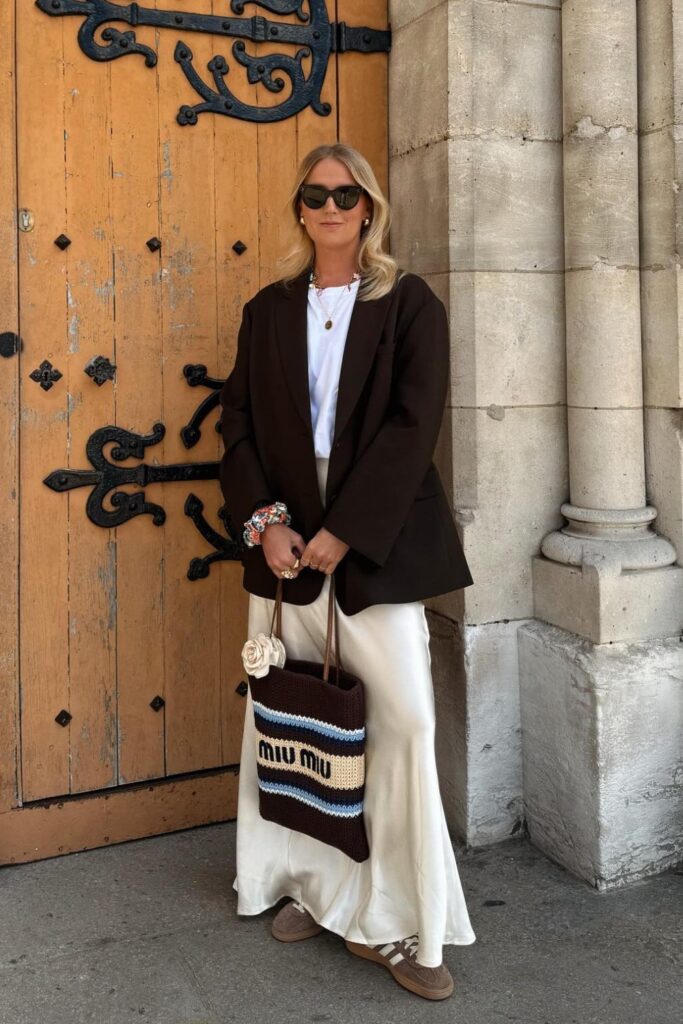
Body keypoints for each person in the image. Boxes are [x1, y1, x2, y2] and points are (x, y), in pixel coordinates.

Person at [218, 142, 476, 1002]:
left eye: (345, 193)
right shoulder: (266, 310)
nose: (329, 206)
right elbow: (241, 428)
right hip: (285, 554)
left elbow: (413, 426)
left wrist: (344, 532)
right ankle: (313, 888)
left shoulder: (407, 305)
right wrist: (268, 527)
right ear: (299, 208)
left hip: (374, 547)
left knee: (397, 724)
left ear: (368, 207)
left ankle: (406, 921)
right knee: (300, 724)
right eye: (313, 193)